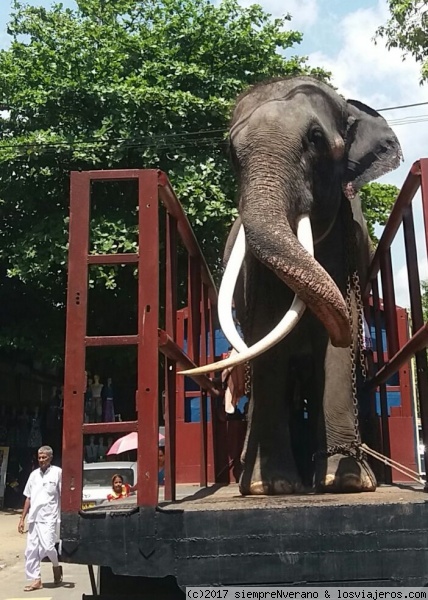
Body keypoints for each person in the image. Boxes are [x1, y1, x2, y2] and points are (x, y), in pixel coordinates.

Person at [18, 445, 63, 592]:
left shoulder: (58, 473)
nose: (41, 460)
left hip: (50, 517)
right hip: (34, 518)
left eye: (44, 457)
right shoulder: (33, 475)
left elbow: (63, 495)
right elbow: (28, 497)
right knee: (31, 550)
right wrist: (22, 518)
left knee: (48, 547)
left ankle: (56, 567)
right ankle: (36, 579)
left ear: (50, 457)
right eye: (39, 457)